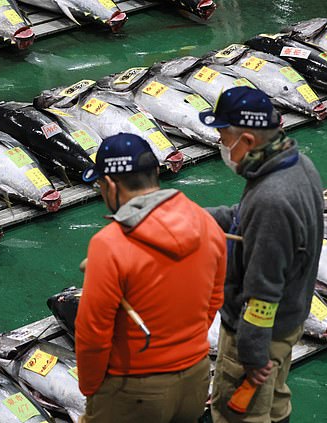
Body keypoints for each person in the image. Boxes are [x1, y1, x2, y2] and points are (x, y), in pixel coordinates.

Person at [75, 133, 227, 423]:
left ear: (109, 185)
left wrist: (92, 388)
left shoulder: (110, 243)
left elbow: (93, 332)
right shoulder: (205, 222)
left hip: (133, 389)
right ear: (155, 172)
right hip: (195, 379)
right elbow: (214, 299)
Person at [199, 87, 324, 423]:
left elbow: (262, 295)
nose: (221, 145)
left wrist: (252, 358)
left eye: (224, 136)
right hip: (288, 319)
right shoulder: (295, 164)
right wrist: (191, 216)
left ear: (248, 140)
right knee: (274, 398)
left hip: (259, 335)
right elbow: (244, 217)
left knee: (239, 413)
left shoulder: (272, 199)